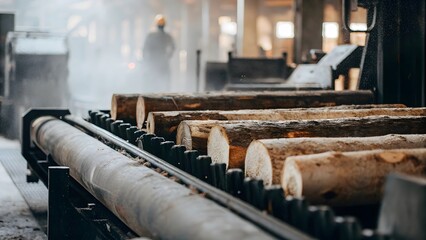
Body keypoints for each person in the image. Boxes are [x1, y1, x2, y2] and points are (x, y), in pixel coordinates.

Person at [142, 15, 175, 91]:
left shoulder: (151, 35)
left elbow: (145, 49)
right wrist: (168, 56)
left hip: (154, 62)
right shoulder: (166, 36)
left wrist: (146, 61)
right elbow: (173, 47)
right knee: (162, 82)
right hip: (160, 62)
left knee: (154, 83)